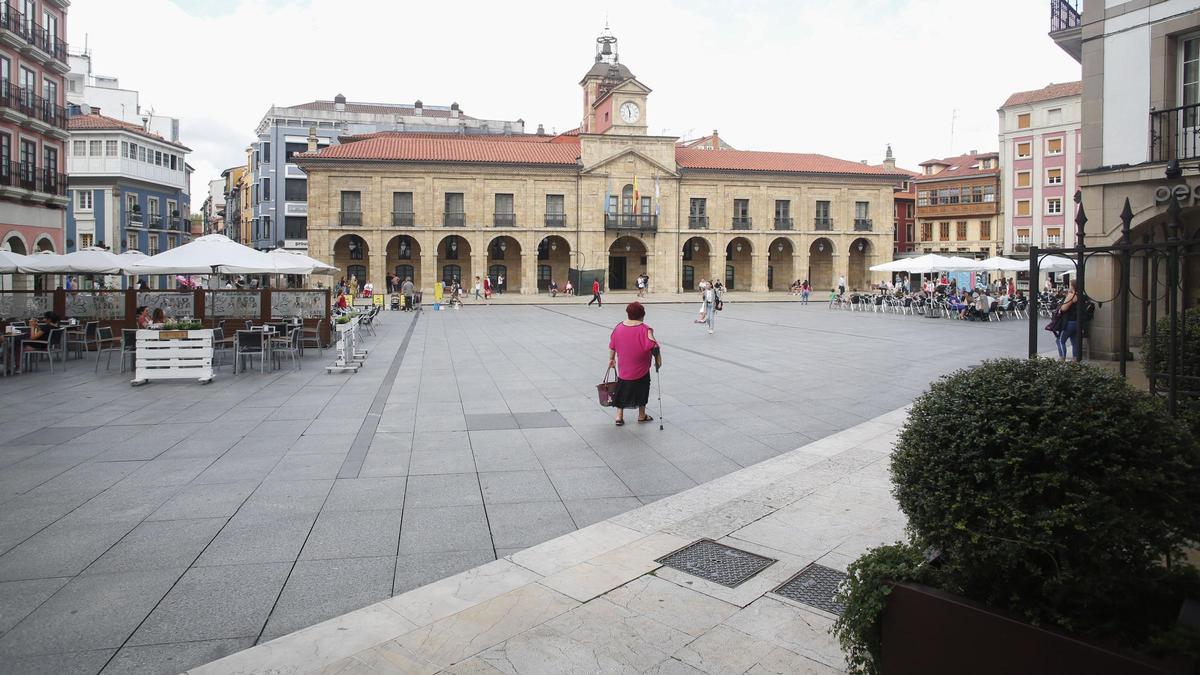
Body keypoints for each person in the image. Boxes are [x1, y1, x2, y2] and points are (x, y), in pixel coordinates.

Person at [607, 301, 661, 426]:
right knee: (643, 389)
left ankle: (619, 416)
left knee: (621, 388)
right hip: (641, 368)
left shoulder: (619, 327)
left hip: (624, 368)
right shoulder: (645, 329)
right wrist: (658, 362)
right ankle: (642, 415)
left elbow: (612, 345)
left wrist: (611, 359)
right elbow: (654, 347)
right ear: (642, 314)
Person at [1057, 280, 1082, 361]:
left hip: (1070, 321)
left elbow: (1064, 308)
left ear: (1073, 286)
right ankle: (1075, 360)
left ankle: (1062, 359)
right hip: (1078, 322)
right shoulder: (1081, 295)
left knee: (1060, 340)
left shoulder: (1072, 295)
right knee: (1074, 341)